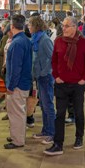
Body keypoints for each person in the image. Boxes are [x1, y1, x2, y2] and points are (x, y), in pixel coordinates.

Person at [44, 16, 85, 156]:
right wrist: (56, 76)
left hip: (77, 84)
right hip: (61, 84)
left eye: (66, 26)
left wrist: (83, 79)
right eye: (63, 26)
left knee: (78, 111)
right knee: (60, 114)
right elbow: (54, 60)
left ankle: (79, 137)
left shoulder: (84, 43)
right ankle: (58, 143)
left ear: (75, 27)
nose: (63, 28)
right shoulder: (59, 41)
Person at [4, 15, 33, 149]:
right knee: (19, 111)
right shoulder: (26, 40)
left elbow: (15, 67)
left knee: (16, 113)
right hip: (25, 81)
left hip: (18, 84)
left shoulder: (16, 43)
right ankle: (17, 135)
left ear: (12, 26)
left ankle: (18, 140)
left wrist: (11, 85)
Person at [28, 16, 55, 145]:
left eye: (30, 24)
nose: (28, 27)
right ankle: (45, 130)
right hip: (40, 76)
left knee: (48, 105)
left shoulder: (44, 40)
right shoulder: (35, 39)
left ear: (36, 26)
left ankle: (52, 133)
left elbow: (52, 58)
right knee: (43, 105)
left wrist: (44, 72)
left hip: (46, 77)